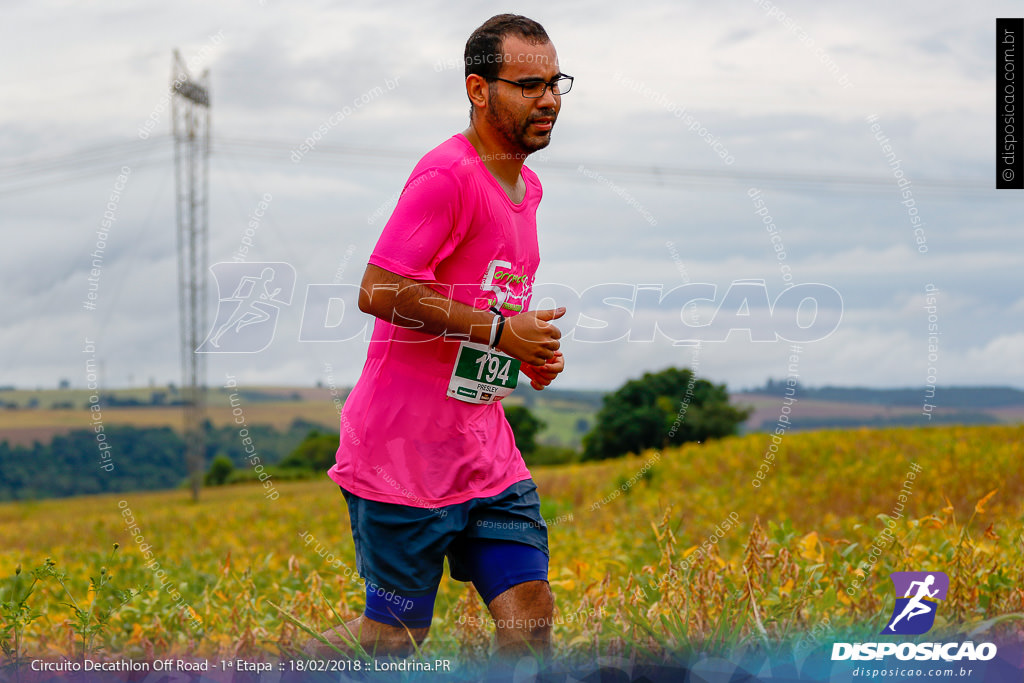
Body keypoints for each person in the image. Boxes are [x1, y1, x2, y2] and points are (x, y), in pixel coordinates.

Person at [307, 14, 573, 661]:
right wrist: (501, 330)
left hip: (486, 457)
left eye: (556, 83)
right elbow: (380, 289)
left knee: (530, 617)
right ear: (479, 91)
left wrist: (525, 351)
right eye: (528, 84)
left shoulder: (527, 188)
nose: (549, 100)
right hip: (400, 458)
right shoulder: (447, 176)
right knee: (394, 638)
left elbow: (491, 302)